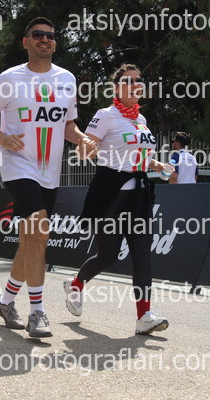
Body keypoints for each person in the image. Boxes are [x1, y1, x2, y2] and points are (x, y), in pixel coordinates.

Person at [0, 17, 95, 338]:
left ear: (55, 43)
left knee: (31, 239)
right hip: (18, 167)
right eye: (38, 35)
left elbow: (68, 125)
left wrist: (83, 139)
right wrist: (3, 139)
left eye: (50, 36)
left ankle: (5, 301)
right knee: (40, 230)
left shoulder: (67, 79)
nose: (45, 39)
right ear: (26, 42)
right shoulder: (9, 78)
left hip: (49, 173)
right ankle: (38, 312)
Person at [63, 64, 170, 335]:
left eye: (138, 80)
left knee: (142, 254)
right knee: (107, 256)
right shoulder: (105, 115)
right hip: (111, 195)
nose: (135, 85)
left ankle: (144, 316)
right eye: (128, 81)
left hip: (140, 195)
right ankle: (76, 284)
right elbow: (86, 149)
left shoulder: (141, 119)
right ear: (117, 88)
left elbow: (140, 156)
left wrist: (157, 165)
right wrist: (86, 147)